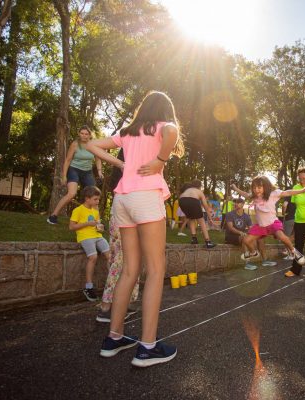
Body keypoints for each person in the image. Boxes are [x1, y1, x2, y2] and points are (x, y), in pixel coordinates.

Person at [86, 90, 184, 367]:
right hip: (145, 197)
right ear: (164, 110)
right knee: (155, 270)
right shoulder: (161, 126)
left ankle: (114, 338)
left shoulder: (128, 131)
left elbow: (92, 144)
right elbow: (173, 130)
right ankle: (147, 347)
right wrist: (160, 161)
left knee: (129, 269)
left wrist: (120, 163)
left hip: (122, 200)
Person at [96, 149, 138, 323]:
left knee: (122, 261)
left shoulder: (123, 170)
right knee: (122, 263)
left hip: (119, 215)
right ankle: (106, 307)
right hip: (128, 217)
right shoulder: (132, 169)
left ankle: (123, 303)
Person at [230, 177, 305, 268]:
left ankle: (295, 252)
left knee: (281, 236)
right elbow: (245, 194)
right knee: (246, 240)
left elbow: (287, 192)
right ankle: (253, 253)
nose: (256, 190)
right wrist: (235, 188)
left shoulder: (273, 194)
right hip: (261, 226)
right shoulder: (254, 196)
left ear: (266, 187)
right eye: (254, 188)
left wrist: (302, 190)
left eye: (259, 187)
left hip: (272, 223)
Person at [48, 126, 103, 224]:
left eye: (86, 134)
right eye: (82, 133)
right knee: (72, 193)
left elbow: (98, 159)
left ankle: (97, 222)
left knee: (94, 195)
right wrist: (64, 176)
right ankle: (53, 216)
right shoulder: (75, 144)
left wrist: (99, 171)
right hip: (74, 170)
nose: (84, 136)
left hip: (87, 172)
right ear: (79, 134)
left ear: (90, 135)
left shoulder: (94, 144)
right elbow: (68, 160)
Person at [68, 185, 109, 302]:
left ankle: (112, 281)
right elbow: (71, 227)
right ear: (87, 198)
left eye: (98, 199)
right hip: (85, 237)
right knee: (93, 257)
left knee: (110, 256)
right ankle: (89, 287)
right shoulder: (78, 210)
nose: (97, 201)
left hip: (98, 236)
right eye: (95, 199)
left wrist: (100, 227)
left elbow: (98, 226)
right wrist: (87, 224)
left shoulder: (95, 211)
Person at [179, 180, 217, 248]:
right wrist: (210, 219)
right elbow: (206, 207)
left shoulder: (188, 190)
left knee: (191, 218)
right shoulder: (199, 191)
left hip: (181, 200)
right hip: (192, 201)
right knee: (201, 221)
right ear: (200, 186)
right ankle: (208, 242)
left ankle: (194, 239)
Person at [281, 195, 296, 259]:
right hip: (298, 219)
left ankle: (290, 254)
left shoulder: (288, 196)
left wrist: (283, 213)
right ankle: (290, 252)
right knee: (293, 236)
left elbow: (284, 205)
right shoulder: (298, 195)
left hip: (289, 218)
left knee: (285, 237)